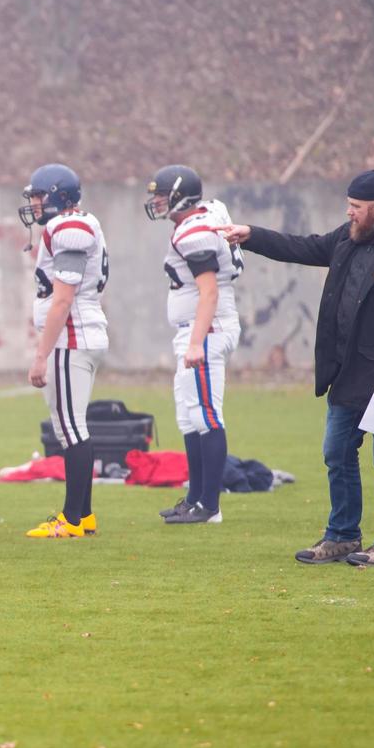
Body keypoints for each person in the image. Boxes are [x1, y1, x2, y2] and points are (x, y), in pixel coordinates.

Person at [219, 170, 374, 566]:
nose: (349, 213)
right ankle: (342, 535)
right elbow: (304, 247)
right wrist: (251, 235)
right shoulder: (349, 237)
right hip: (348, 373)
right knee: (336, 453)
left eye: (356, 207)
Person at [144, 165, 243, 525]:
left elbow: (209, 290)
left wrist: (197, 341)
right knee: (189, 416)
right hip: (198, 328)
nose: (155, 200)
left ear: (179, 195)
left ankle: (210, 506)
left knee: (206, 415)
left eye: (161, 193)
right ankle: (195, 498)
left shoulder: (193, 232)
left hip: (206, 328)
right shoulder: (208, 214)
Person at [20, 163, 108, 540]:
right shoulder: (70, 225)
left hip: (71, 338)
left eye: (39, 196)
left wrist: (41, 353)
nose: (35, 204)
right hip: (74, 336)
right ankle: (83, 516)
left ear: (58, 196)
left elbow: (63, 299)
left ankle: (72, 518)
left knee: (72, 428)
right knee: (69, 427)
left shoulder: (69, 227)